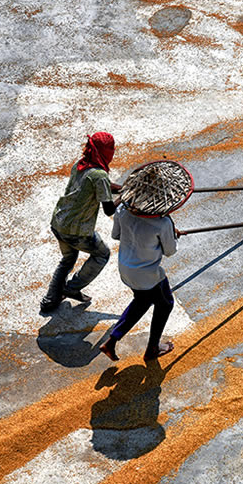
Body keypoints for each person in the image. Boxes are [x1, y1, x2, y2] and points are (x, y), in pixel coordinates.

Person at [41, 132, 121, 313]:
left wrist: (123, 187)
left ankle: (50, 300)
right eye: (111, 149)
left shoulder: (81, 164)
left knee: (68, 259)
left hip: (59, 221)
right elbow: (109, 209)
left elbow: (104, 185)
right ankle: (71, 288)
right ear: (104, 151)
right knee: (102, 254)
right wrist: (125, 196)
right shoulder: (99, 175)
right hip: (76, 231)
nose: (113, 152)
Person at [99, 202, 179, 361]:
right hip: (147, 274)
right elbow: (170, 251)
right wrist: (173, 235)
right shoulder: (163, 223)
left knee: (142, 301)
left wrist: (136, 235)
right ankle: (152, 348)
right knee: (165, 304)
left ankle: (111, 341)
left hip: (126, 267)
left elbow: (116, 235)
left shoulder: (123, 209)